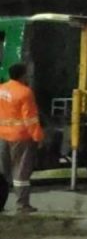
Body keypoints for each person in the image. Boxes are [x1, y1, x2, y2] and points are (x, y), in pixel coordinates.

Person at [0, 62, 44, 214]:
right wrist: (37, 136)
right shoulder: (25, 93)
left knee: (4, 171)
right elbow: (30, 119)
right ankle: (22, 205)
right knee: (21, 172)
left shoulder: (2, 89)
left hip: (3, 134)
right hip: (21, 136)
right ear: (22, 75)